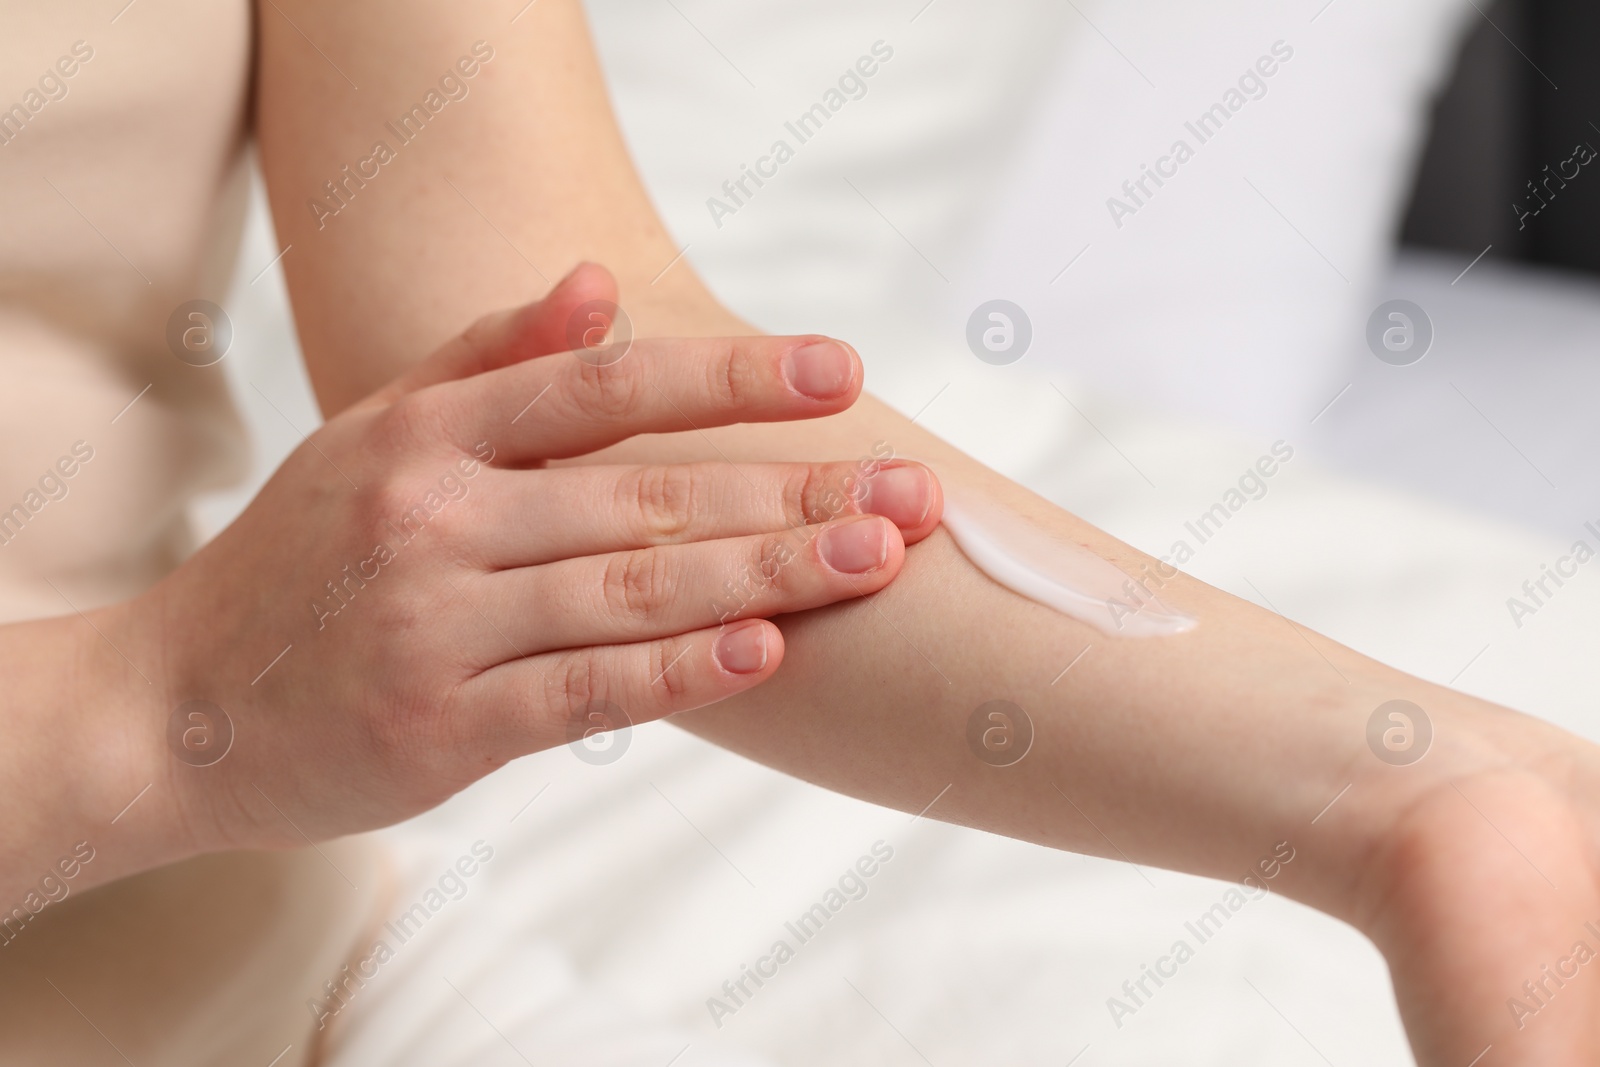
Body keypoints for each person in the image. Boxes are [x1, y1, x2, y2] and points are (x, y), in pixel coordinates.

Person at [2, 2, 1597, 1065]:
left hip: (287, 975)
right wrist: (156, 706)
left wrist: (1429, 787)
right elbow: (182, 698)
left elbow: (580, 400)